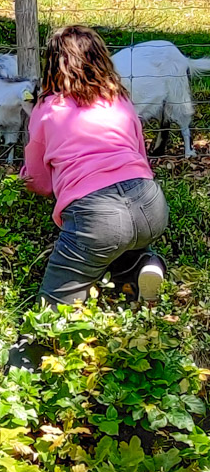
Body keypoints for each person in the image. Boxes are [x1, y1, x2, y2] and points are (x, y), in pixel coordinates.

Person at [19, 24, 168, 315]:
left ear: (52, 64)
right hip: (150, 204)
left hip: (96, 216)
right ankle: (144, 264)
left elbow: (39, 183)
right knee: (124, 239)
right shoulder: (119, 99)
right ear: (102, 59)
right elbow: (140, 155)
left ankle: (27, 358)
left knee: (52, 312)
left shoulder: (47, 109)